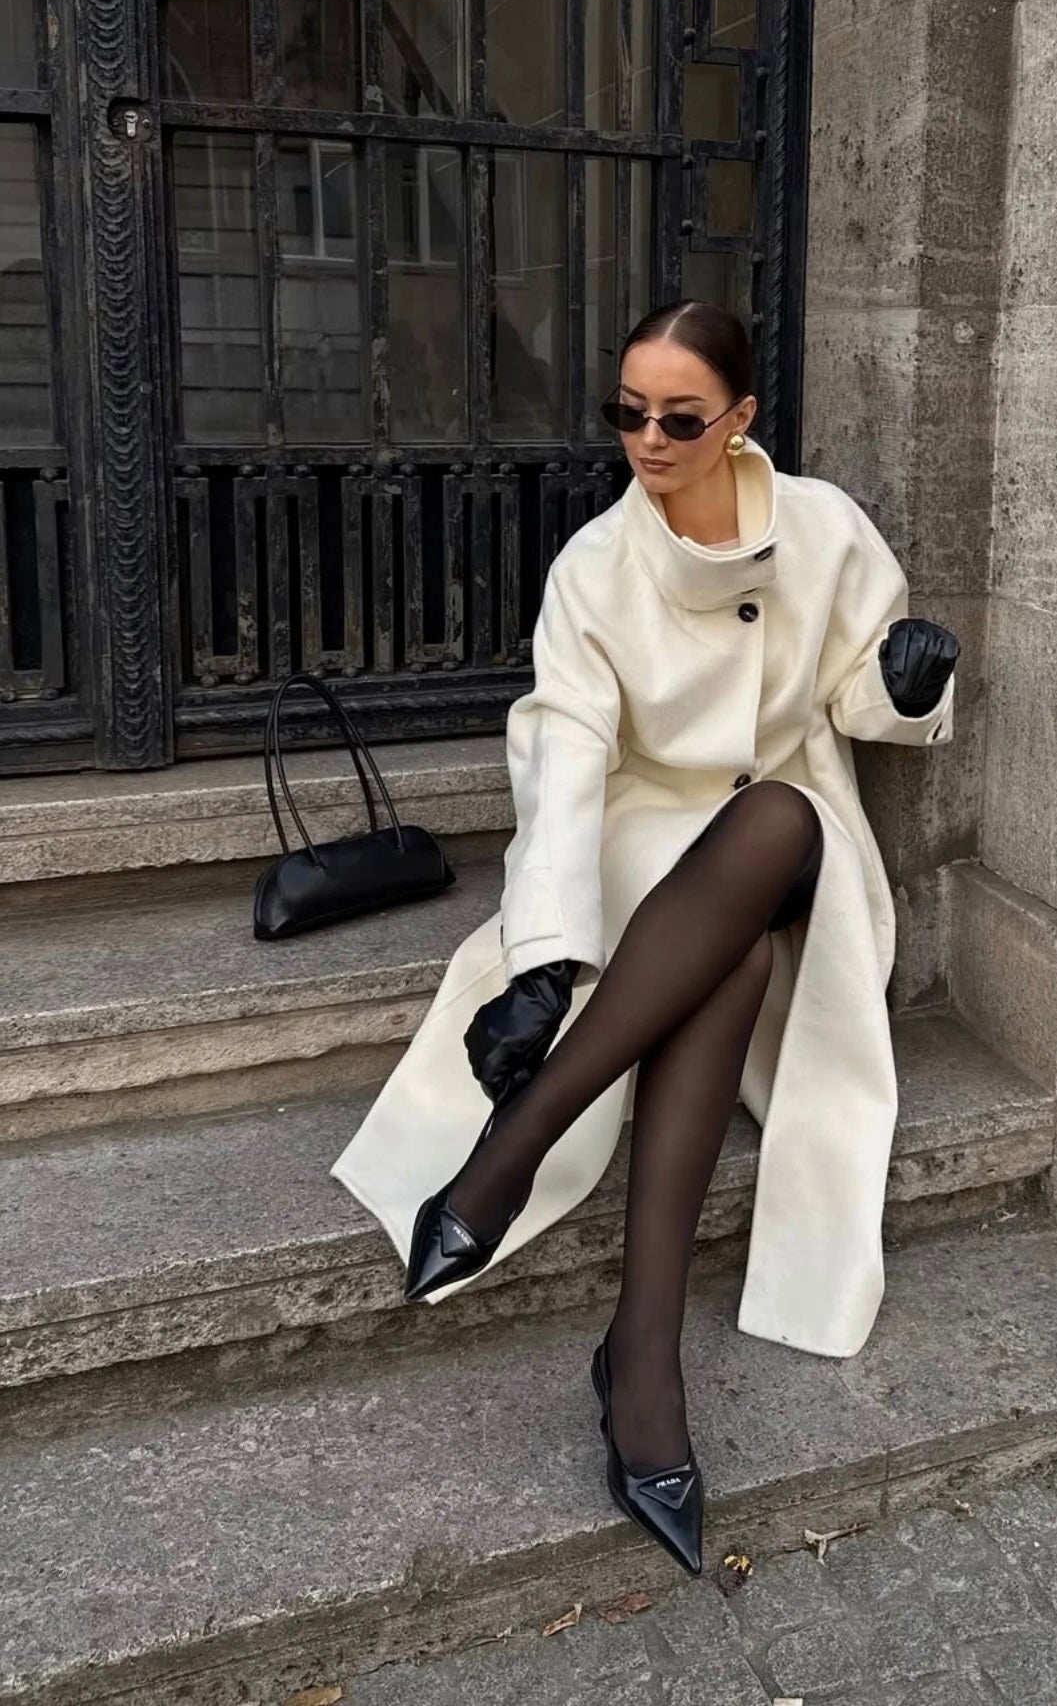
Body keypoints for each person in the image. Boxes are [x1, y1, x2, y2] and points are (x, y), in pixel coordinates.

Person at [329, 299, 959, 1579]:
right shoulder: (596, 566)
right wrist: (545, 955)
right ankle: (643, 1359)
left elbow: (857, 692)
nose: (649, 438)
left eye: (680, 416)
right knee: (728, 953)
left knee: (778, 816)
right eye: (627, 412)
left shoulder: (825, 527)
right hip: (644, 837)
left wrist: (904, 689)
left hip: (783, 828)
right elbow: (565, 760)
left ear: (742, 417)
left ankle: (512, 1148)